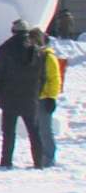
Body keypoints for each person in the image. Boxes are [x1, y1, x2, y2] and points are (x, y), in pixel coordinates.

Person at [0, 19, 44, 169]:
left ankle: (6, 162)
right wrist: (38, 92)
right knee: (34, 132)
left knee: (9, 133)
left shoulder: (5, 48)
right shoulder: (36, 49)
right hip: (30, 98)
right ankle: (39, 162)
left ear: (13, 31)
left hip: (9, 97)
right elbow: (42, 75)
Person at [34, 29, 60, 168]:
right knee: (38, 130)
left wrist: (51, 96)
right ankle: (41, 157)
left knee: (45, 130)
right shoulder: (35, 55)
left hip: (44, 98)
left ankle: (49, 158)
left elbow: (54, 78)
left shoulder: (48, 56)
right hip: (35, 97)